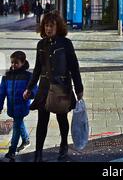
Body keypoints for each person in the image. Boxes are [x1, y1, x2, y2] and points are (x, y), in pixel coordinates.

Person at [24, 11, 84, 162]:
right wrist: (29, 88)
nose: (48, 29)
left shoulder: (65, 43)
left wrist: (79, 89)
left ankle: (64, 145)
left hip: (61, 88)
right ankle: (38, 153)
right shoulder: (41, 44)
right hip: (44, 89)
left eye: (51, 25)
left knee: (62, 119)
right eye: (46, 25)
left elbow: (74, 67)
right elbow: (37, 69)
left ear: (58, 27)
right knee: (42, 121)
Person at [0, 51, 37, 162]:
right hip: (11, 106)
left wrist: (30, 93)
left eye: (16, 63)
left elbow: (35, 89)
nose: (13, 65)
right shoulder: (7, 77)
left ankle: (12, 150)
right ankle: (26, 140)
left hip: (22, 107)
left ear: (23, 62)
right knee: (19, 123)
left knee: (16, 126)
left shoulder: (28, 76)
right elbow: (1, 93)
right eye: (12, 62)